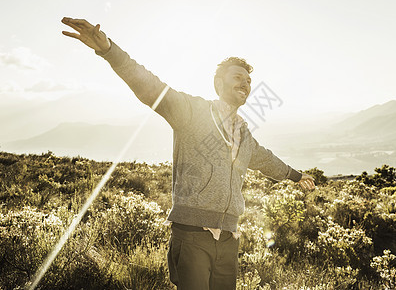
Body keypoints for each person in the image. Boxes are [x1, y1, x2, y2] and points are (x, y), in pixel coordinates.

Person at [61, 17, 316, 290]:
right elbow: (150, 86)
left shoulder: (243, 132)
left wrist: (295, 175)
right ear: (218, 84)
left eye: (249, 80)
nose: (245, 83)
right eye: (237, 77)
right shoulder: (191, 112)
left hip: (229, 238)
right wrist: (109, 50)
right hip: (193, 236)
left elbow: (264, 159)